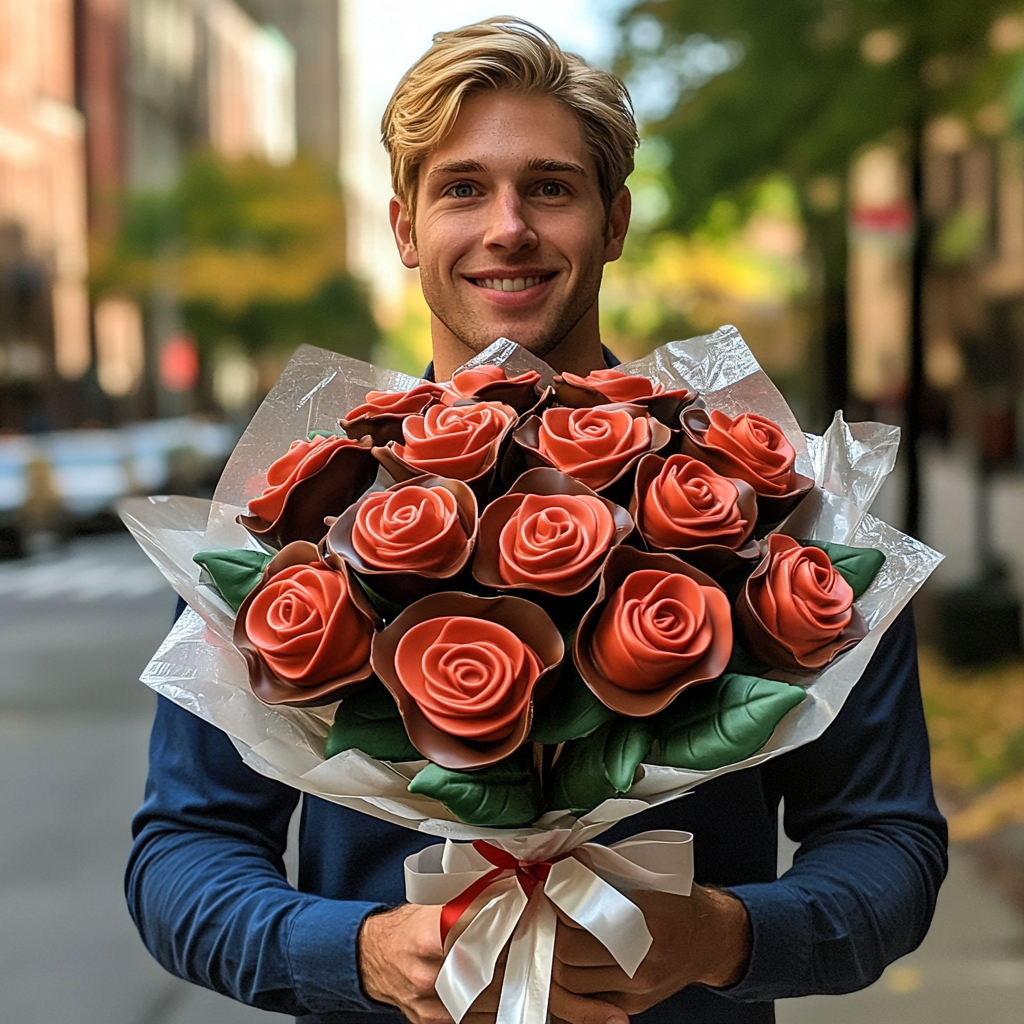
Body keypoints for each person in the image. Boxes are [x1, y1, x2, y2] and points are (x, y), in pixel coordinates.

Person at [126, 17, 947, 1024]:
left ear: (613, 222)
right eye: (462, 188)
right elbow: (182, 852)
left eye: (549, 187)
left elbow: (889, 842)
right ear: (402, 227)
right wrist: (360, 952)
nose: (506, 225)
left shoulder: (773, 508)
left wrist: (722, 936)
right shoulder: (296, 518)